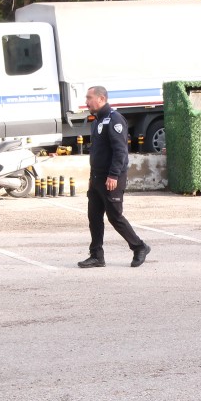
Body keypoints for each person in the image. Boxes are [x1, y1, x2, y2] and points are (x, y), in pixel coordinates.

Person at [78, 85, 150, 268]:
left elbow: (120, 152)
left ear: (101, 99)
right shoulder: (97, 121)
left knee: (114, 216)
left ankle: (139, 247)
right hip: (96, 178)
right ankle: (96, 255)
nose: (86, 102)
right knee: (94, 217)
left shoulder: (114, 119)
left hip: (111, 178)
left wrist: (113, 175)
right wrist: (92, 177)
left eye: (89, 98)